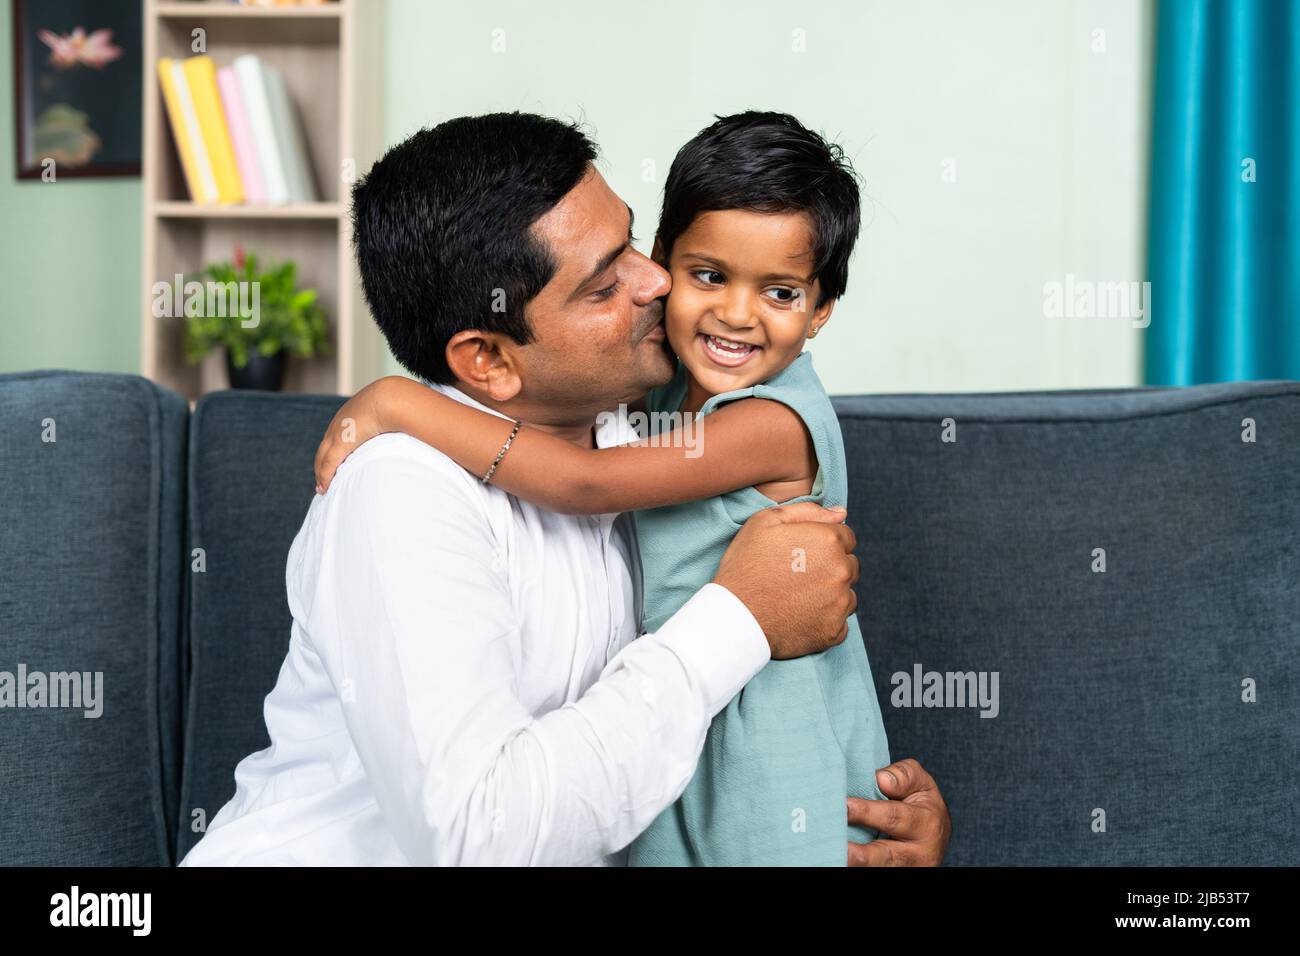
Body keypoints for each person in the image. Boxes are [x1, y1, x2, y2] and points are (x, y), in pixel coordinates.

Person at [180, 112, 950, 866]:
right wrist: (742, 617)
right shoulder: (401, 493)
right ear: (488, 358)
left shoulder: (649, 432)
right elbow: (480, 840)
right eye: (604, 283)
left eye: (634, 241)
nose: (658, 281)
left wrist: (856, 812)